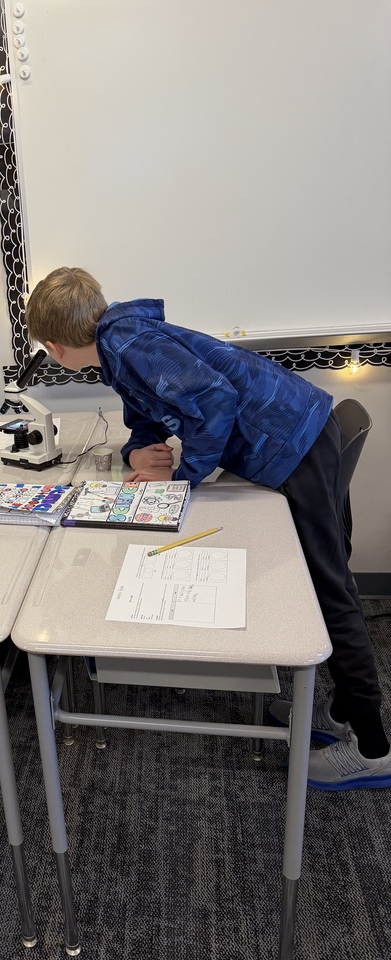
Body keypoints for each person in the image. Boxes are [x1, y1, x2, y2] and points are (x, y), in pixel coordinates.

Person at [25, 266, 390, 791]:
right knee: (328, 584)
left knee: (329, 589)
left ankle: (374, 748)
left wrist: (184, 476)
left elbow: (216, 399)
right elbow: (146, 410)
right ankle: (339, 711)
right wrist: (138, 448)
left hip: (294, 442)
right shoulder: (117, 344)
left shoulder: (126, 344)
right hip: (297, 430)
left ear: (55, 348)